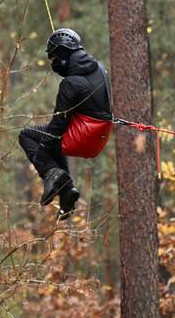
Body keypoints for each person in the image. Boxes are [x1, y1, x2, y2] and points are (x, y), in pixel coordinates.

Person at [18, 28, 112, 220]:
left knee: (27, 135)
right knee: (54, 141)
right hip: (100, 135)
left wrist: (42, 161)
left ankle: (59, 180)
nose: (53, 63)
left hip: (85, 136)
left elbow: (57, 125)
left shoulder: (70, 83)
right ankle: (67, 193)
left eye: (53, 58)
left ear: (62, 54)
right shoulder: (100, 68)